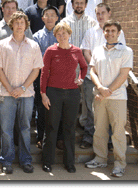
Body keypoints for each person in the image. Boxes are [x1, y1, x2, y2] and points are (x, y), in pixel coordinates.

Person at [0, 11, 43, 174]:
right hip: (6, 95)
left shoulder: (34, 46)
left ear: (26, 25)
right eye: (17, 22)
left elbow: (36, 70)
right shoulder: (2, 44)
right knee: (6, 130)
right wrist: (9, 88)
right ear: (11, 24)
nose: (19, 25)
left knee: (25, 128)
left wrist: (21, 88)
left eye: (22, 22)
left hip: (26, 95)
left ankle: (25, 160)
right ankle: (6, 161)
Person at [85, 21, 133, 178]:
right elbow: (92, 71)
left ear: (119, 33)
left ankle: (119, 164)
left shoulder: (126, 51)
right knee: (99, 130)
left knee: (118, 132)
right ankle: (100, 158)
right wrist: (100, 88)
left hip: (117, 98)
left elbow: (123, 75)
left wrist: (108, 91)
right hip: (99, 97)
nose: (110, 33)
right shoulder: (98, 50)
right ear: (103, 32)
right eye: (107, 30)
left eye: (113, 31)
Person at [40, 21, 87, 173]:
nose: (62, 36)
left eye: (64, 33)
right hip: (53, 92)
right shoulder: (50, 51)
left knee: (69, 128)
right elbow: (44, 73)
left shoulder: (77, 51)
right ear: (55, 36)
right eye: (58, 34)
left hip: (72, 94)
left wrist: (81, 77)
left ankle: (69, 163)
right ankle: (47, 161)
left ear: (69, 34)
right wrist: (43, 94)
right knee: (52, 127)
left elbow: (85, 67)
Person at [79, 3, 126, 149]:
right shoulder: (90, 32)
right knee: (91, 109)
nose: (100, 16)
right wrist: (96, 69)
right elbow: (86, 52)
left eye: (103, 13)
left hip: (111, 79)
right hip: (91, 77)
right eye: (98, 13)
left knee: (109, 110)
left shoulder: (118, 32)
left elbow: (121, 52)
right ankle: (88, 137)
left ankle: (110, 141)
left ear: (109, 13)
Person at [32, 6, 60, 149]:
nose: (49, 18)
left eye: (52, 15)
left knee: (58, 108)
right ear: (42, 18)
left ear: (57, 18)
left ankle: (58, 138)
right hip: (41, 77)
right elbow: (36, 57)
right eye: (47, 15)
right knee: (41, 108)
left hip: (58, 78)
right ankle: (41, 136)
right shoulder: (36, 36)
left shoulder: (61, 35)